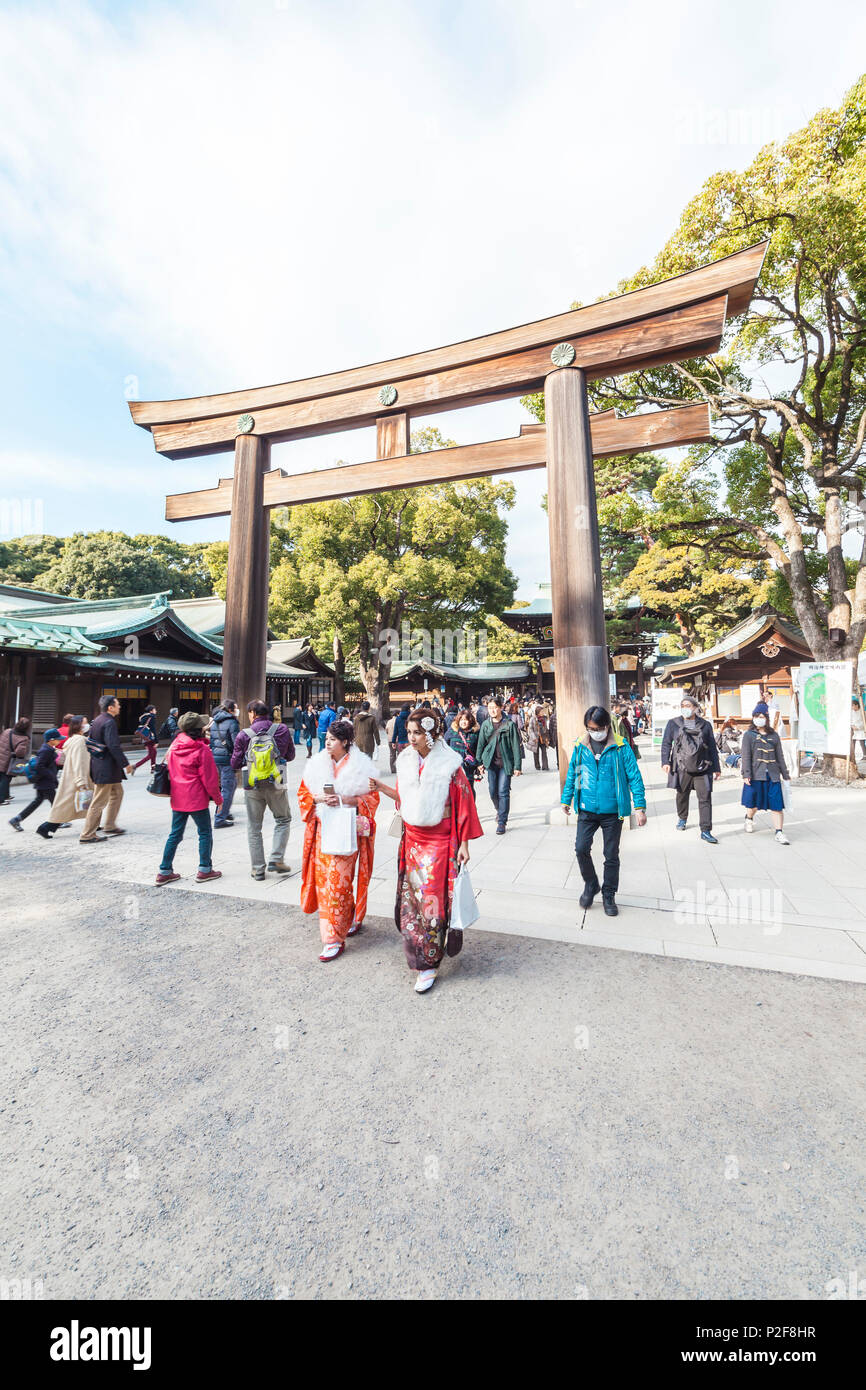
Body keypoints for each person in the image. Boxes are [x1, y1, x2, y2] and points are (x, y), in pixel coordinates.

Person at [372, 706, 483, 994]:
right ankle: (416, 955)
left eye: (417, 733)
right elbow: (404, 798)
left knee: (432, 903)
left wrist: (464, 845)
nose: (411, 738)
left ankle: (429, 962)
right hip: (412, 840)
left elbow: (465, 805)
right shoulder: (407, 760)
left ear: (432, 734)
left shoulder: (450, 764)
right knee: (412, 904)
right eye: (409, 732)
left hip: (439, 841)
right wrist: (383, 789)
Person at [297, 717, 380, 961]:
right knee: (327, 885)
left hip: (347, 829)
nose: (327, 743)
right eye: (326, 739)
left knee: (339, 883)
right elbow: (304, 794)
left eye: (332, 739)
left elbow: (372, 799)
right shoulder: (316, 765)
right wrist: (319, 799)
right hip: (324, 830)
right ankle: (340, 925)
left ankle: (334, 937)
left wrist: (347, 800)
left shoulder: (360, 766)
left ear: (345, 742)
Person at [561, 705, 647, 917]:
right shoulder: (581, 746)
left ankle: (609, 894)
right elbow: (573, 772)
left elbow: (634, 777)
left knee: (611, 855)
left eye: (598, 727)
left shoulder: (620, 747)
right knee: (581, 848)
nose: (594, 731)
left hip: (612, 811)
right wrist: (566, 798)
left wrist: (639, 806)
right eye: (590, 728)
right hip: (587, 809)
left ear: (607, 726)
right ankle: (591, 884)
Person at [230, 699, 295, 879]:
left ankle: (258, 869)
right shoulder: (281, 729)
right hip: (277, 780)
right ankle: (276, 858)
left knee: (254, 827)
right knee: (283, 820)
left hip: (253, 784)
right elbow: (290, 756)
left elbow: (234, 763)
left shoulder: (244, 735)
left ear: (252, 713)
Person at [156, 711, 223, 884]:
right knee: (205, 832)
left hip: (178, 796)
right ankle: (204, 869)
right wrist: (218, 799)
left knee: (175, 834)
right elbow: (210, 779)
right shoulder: (202, 749)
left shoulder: (175, 746)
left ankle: (164, 870)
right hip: (196, 797)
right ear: (198, 729)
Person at [661, 694, 721, 843]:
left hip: (703, 766)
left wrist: (717, 767)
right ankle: (682, 817)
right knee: (682, 794)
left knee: (705, 797)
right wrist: (665, 762)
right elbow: (666, 743)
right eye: (683, 706)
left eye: (688, 706)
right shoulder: (673, 723)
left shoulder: (705, 725)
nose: (685, 709)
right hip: (682, 766)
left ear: (695, 708)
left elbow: (712, 746)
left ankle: (706, 830)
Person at [80, 695, 129, 843]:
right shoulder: (109, 722)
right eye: (118, 704)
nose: (120, 707)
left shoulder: (98, 720)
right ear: (110, 707)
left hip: (102, 765)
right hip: (106, 767)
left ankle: (110, 824)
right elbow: (113, 746)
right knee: (99, 801)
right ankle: (87, 834)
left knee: (117, 793)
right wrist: (126, 764)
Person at [36, 716, 93, 838]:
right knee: (68, 806)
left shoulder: (73, 739)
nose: (87, 725)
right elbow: (79, 761)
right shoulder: (80, 741)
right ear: (78, 726)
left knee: (70, 806)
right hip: (77, 777)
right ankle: (46, 827)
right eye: (85, 723)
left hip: (72, 777)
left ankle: (93, 824)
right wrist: (81, 780)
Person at [741, 709, 791, 844]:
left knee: (777, 805)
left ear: (767, 718)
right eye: (757, 716)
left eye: (762, 716)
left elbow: (780, 756)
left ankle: (779, 832)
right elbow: (745, 755)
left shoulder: (774, 735)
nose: (760, 718)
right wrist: (746, 774)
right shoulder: (749, 735)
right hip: (756, 774)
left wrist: (785, 774)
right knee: (753, 804)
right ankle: (749, 818)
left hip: (773, 775)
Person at [477, 695, 523, 834]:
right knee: (492, 792)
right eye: (490, 708)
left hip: (506, 763)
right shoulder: (486, 725)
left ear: (501, 707)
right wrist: (479, 762)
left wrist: (517, 766)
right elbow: (481, 744)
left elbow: (516, 746)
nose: (492, 710)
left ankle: (502, 821)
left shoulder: (509, 724)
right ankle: (499, 810)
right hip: (491, 763)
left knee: (503, 791)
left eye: (494, 707)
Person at [9, 727, 62, 831]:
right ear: (51, 740)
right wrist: (50, 775)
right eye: (58, 739)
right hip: (45, 782)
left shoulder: (48, 749)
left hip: (42, 781)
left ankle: (16, 819)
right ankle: (59, 821)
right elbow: (39, 766)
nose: (60, 740)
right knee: (55, 803)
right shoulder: (46, 750)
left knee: (38, 801)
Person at [208, 699, 240, 829]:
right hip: (227, 758)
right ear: (231, 709)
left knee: (228, 787)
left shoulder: (215, 721)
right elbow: (236, 743)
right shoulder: (232, 722)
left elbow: (212, 741)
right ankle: (220, 818)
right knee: (228, 788)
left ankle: (223, 812)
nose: (237, 710)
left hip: (217, 758)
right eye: (236, 708)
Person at [445, 708, 480, 796]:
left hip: (468, 767)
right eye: (461, 720)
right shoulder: (452, 731)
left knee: (469, 789)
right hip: (453, 767)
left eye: (466, 720)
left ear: (470, 721)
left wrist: (479, 763)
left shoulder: (475, 733)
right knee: (455, 790)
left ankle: (470, 808)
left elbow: (480, 749)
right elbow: (444, 746)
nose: (463, 722)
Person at [0, 716, 32, 805]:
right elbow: (20, 753)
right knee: (5, 779)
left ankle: (6, 795)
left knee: (2, 777)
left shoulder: (7, 731)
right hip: (8, 761)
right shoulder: (23, 738)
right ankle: (1, 799)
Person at [128, 704, 158, 776]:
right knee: (150, 754)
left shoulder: (143, 717)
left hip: (145, 738)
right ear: (151, 711)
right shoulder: (151, 717)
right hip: (150, 738)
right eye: (154, 709)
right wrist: (156, 741)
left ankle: (153, 769)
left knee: (154, 752)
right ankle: (134, 766)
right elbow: (153, 729)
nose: (156, 711)